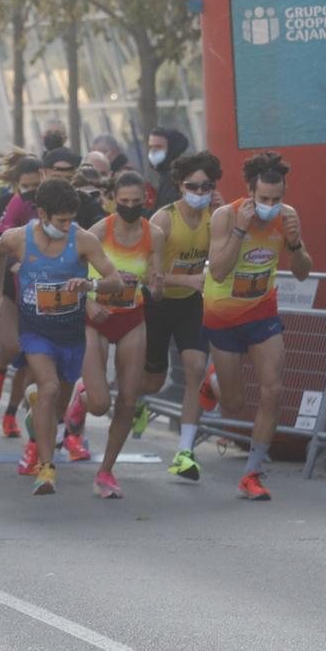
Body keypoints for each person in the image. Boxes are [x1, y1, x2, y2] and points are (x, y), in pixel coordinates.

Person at [0, 177, 125, 495]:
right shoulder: (18, 238)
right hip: (36, 331)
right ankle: (46, 468)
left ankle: (58, 404)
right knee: (47, 389)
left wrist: (90, 286)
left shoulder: (84, 240)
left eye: (71, 220)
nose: (67, 226)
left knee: (89, 403)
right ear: (43, 214)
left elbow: (115, 279)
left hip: (73, 332)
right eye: (61, 221)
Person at [194, 151, 314, 500]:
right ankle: (213, 380)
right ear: (249, 193)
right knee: (233, 404)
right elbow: (217, 270)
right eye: (263, 199)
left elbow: (303, 272)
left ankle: (253, 472)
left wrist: (295, 245)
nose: (271, 206)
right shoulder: (225, 216)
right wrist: (240, 231)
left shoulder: (288, 217)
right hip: (223, 316)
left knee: (272, 389)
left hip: (262, 311)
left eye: (277, 199)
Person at [68, 170, 160, 497]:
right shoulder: (97, 233)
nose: (131, 208)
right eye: (124, 202)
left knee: (127, 401)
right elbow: (72, 277)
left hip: (132, 318)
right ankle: (79, 401)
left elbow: (155, 282)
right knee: (98, 403)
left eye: (137, 202)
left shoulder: (155, 235)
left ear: (146, 201)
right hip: (96, 317)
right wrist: (87, 303)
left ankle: (105, 472)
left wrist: (155, 282)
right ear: (112, 201)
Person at [146, 152, 219, 470]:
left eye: (207, 186)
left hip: (190, 302)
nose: (201, 193)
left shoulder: (215, 216)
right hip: (158, 302)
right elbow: (150, 275)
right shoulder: (163, 220)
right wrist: (187, 278)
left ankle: (185, 451)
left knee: (196, 367)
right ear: (179, 185)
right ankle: (131, 402)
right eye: (194, 186)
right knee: (152, 381)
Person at [146, 125, 189, 207]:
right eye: (151, 147)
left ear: (171, 149)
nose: (153, 151)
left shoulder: (177, 178)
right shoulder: (164, 175)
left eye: (158, 147)